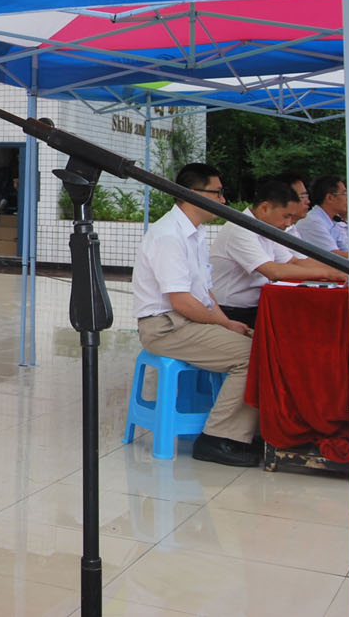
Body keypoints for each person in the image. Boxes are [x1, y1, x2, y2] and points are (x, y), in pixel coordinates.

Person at [132, 162, 260, 468]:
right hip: (166, 328)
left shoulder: (195, 234)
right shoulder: (168, 235)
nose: (223, 200)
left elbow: (205, 295)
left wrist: (228, 324)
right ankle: (217, 439)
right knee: (252, 355)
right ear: (191, 194)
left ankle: (244, 431)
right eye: (216, 193)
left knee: (260, 343)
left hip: (186, 322)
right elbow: (183, 303)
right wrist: (223, 324)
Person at [210, 179, 347, 327]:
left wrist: (339, 270)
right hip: (233, 312)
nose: (289, 224)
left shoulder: (265, 227)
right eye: (286, 216)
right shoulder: (240, 229)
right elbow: (273, 271)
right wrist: (329, 274)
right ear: (265, 208)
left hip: (256, 306)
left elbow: (294, 261)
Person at [295, 175, 349, 256]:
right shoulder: (313, 222)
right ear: (330, 197)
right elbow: (335, 256)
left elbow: (345, 249)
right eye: (344, 193)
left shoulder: (332, 220)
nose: (348, 198)